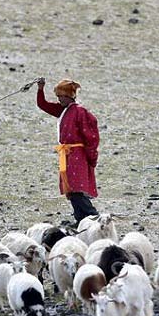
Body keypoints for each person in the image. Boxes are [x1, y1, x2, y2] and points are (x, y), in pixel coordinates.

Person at [35, 77, 100, 225]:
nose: (59, 100)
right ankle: (81, 219)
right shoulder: (63, 110)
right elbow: (43, 105)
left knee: (77, 188)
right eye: (58, 97)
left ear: (70, 96)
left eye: (62, 96)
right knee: (70, 189)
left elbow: (91, 136)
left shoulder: (79, 111)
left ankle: (93, 217)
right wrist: (40, 89)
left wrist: (92, 156)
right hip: (67, 155)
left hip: (77, 155)